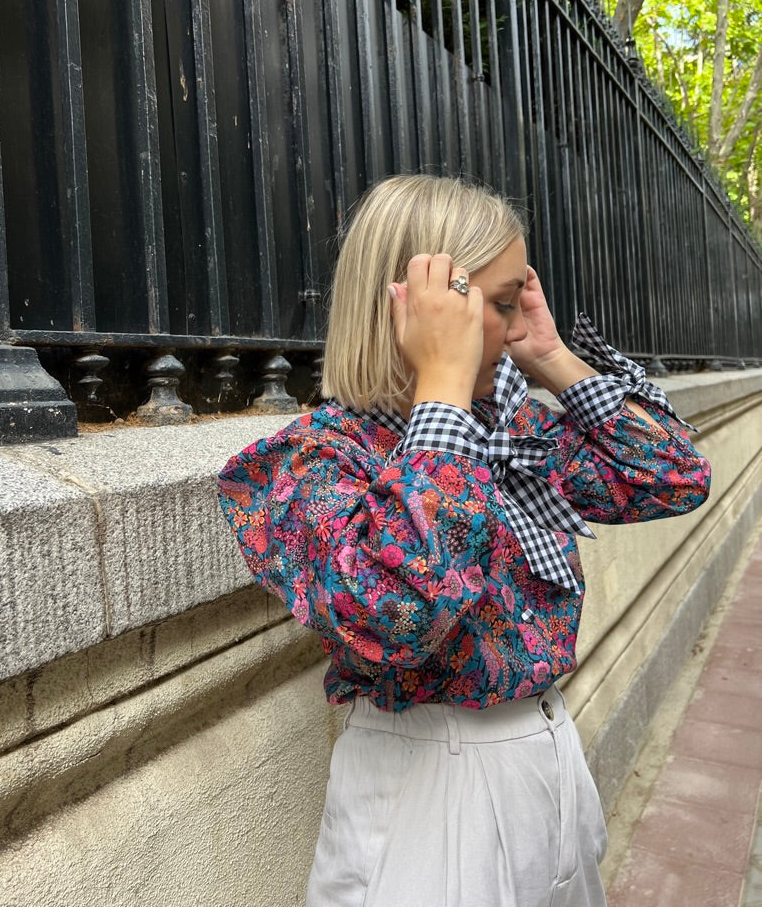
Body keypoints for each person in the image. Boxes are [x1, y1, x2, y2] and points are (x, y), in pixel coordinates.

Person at [218, 174, 711, 907]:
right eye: (501, 305)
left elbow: (674, 477)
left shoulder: (509, 432)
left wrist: (550, 356)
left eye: (521, 303)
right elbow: (395, 615)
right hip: (431, 796)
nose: (515, 328)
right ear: (415, 310)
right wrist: (441, 388)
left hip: (547, 757)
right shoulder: (311, 463)